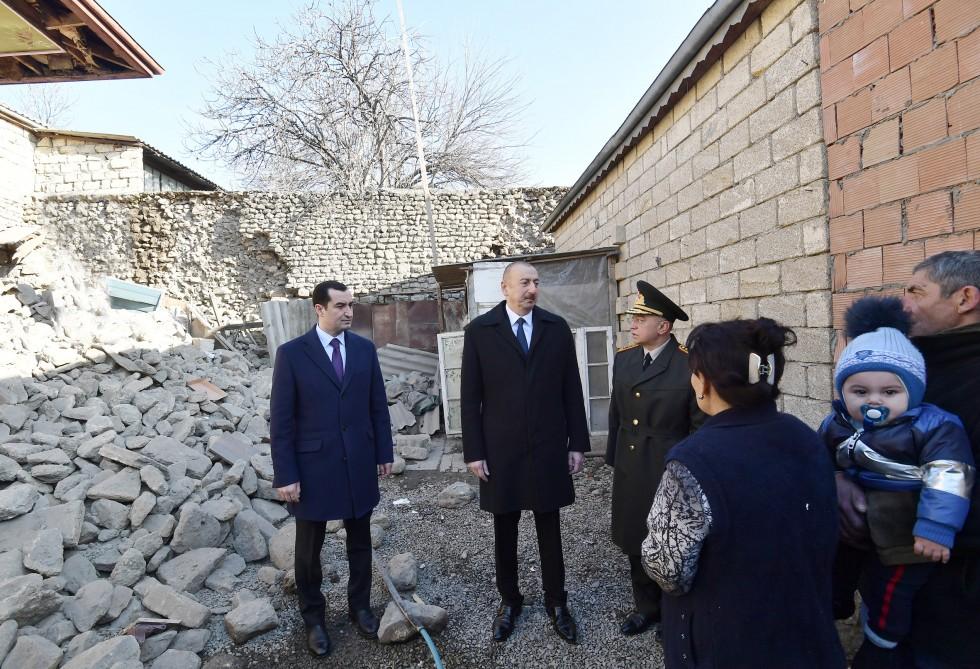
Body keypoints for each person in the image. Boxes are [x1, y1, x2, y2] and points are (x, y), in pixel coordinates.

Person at [641, 318, 845, 668]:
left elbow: (667, 568)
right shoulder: (806, 437)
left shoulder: (691, 461)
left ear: (704, 382)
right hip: (803, 629)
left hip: (727, 638)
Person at [835, 250, 980, 668]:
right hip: (886, 572)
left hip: (953, 601)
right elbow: (844, 430)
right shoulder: (906, 360)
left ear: (965, 297)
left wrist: (904, 512)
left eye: (916, 290)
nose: (903, 303)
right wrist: (839, 477)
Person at [461, 260, 590, 644]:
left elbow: (571, 389)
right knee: (505, 527)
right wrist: (474, 451)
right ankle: (509, 602)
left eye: (536, 282)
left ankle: (556, 602)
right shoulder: (480, 331)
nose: (532, 289)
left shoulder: (555, 328)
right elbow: (470, 398)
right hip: (501, 450)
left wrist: (578, 443)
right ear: (505, 288)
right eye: (524, 283)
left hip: (549, 445)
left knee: (550, 527)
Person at [269, 280, 394, 657]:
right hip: (312, 468)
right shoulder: (292, 354)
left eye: (351, 305)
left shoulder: (363, 349)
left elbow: (377, 406)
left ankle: (360, 607)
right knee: (308, 551)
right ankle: (314, 619)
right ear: (319, 309)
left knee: (360, 541)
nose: (349, 312)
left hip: (357, 460)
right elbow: (282, 420)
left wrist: (384, 452)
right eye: (340, 306)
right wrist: (285, 474)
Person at [606, 280, 703, 637]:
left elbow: (699, 424)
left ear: (663, 326)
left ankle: (675, 613)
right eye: (632, 317)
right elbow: (617, 413)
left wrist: (691, 472)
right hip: (632, 463)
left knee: (672, 538)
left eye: (640, 318)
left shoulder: (688, 364)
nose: (631, 323)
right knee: (636, 537)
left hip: (668, 465)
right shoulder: (625, 359)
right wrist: (615, 458)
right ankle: (645, 607)